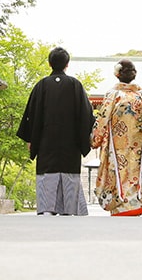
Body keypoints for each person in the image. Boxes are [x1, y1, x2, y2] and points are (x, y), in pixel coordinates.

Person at [16, 47, 94, 216]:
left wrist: (31, 139)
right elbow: (86, 116)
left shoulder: (41, 85)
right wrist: (85, 140)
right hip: (70, 144)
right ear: (67, 64)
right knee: (69, 174)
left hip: (45, 143)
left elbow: (31, 114)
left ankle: (46, 209)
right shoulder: (75, 85)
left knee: (47, 174)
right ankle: (69, 209)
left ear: (50, 63)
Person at [91, 58, 142, 216]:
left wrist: (95, 139)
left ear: (117, 74)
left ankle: (123, 205)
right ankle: (137, 202)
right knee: (137, 170)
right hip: (140, 143)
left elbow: (102, 119)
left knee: (118, 171)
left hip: (117, 143)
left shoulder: (113, 95)